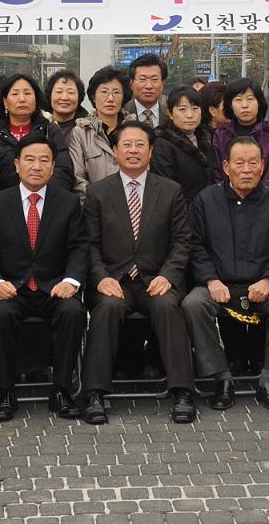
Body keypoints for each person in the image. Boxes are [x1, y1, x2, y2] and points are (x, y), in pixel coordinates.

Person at [80, 121, 195, 425]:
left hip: (155, 279)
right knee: (106, 309)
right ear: (115, 151)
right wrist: (101, 277)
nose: (133, 150)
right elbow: (88, 244)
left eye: (140, 145)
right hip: (113, 281)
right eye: (126, 145)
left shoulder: (170, 191)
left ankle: (182, 391)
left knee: (169, 306)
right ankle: (94, 393)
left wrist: (168, 276)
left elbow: (183, 241)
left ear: (151, 151)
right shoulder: (98, 192)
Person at [183, 137, 269, 412]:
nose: (246, 169)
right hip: (218, 283)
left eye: (253, 163)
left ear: (263, 166)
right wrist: (211, 280)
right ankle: (221, 378)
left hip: (263, 284)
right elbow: (194, 245)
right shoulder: (205, 200)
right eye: (239, 163)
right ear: (226, 167)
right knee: (193, 304)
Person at [0, 136, 88, 421]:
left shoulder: (68, 202)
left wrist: (72, 281)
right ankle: (5, 391)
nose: (36, 166)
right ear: (16, 165)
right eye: (29, 159)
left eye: (44, 161)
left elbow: (78, 248)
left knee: (73, 311)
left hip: (54, 287)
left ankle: (62, 389)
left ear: (53, 167)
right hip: (13, 288)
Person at [211, 78, 269, 194]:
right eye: (238, 100)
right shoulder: (221, 134)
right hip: (228, 203)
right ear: (230, 105)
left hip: (265, 203)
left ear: (259, 102)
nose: (244, 105)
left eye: (250, 99)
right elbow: (217, 174)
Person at [0, 73, 57, 193]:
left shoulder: (50, 130)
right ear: (5, 102)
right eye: (15, 94)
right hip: (3, 205)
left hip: (45, 203)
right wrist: (1, 205)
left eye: (27, 93)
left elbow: (62, 171)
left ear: (36, 99)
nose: (22, 99)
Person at [68, 65, 129, 193]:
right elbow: (78, 179)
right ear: (93, 97)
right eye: (104, 92)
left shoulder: (136, 130)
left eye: (116, 92)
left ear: (124, 97)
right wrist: (95, 206)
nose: (110, 98)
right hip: (94, 208)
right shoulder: (81, 132)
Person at [150, 88, 216, 205]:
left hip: (209, 209)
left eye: (195, 108)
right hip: (181, 211)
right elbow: (165, 187)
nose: (190, 115)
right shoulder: (162, 143)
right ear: (170, 114)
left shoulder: (209, 137)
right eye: (182, 109)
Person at [43, 69, 87, 168]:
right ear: (50, 96)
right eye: (59, 92)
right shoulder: (39, 126)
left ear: (79, 97)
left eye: (71, 92)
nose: (64, 97)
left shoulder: (88, 129)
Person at [127, 53, 169, 127]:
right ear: (131, 83)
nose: (149, 86)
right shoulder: (121, 114)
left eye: (154, 79)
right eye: (142, 79)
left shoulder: (171, 115)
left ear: (162, 84)